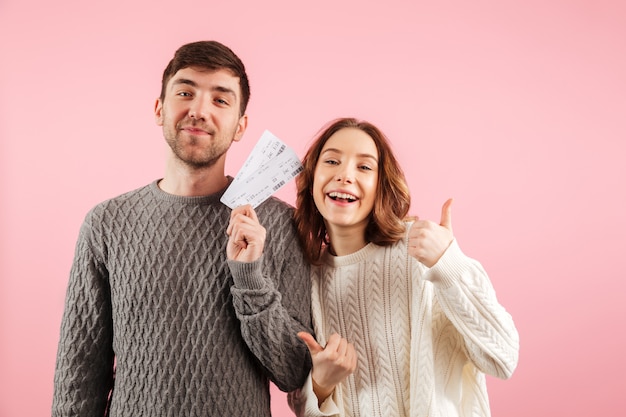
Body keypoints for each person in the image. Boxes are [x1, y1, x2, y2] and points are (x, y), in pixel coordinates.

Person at [52, 40, 313, 417]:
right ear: (160, 109)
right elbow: (78, 374)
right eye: (185, 93)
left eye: (220, 100)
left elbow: (294, 370)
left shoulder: (278, 224)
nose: (199, 110)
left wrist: (249, 276)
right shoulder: (106, 223)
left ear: (240, 126)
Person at [287, 118, 519, 417]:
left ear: (381, 184)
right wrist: (320, 387)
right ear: (312, 176)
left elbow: (502, 358)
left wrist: (449, 264)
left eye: (364, 167)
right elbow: (301, 402)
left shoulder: (424, 253)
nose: (344, 175)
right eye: (332, 161)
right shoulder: (306, 276)